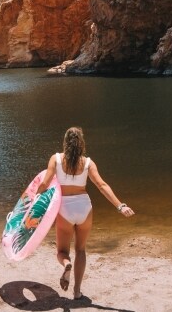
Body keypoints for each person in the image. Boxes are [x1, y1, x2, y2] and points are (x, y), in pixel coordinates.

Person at [36, 127, 135, 300]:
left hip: (64, 208)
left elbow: (44, 184)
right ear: (81, 143)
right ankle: (77, 291)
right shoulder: (88, 163)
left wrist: (32, 202)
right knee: (81, 250)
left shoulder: (56, 159)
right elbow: (102, 185)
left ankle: (66, 264)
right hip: (84, 207)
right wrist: (120, 206)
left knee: (61, 251)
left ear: (65, 142)